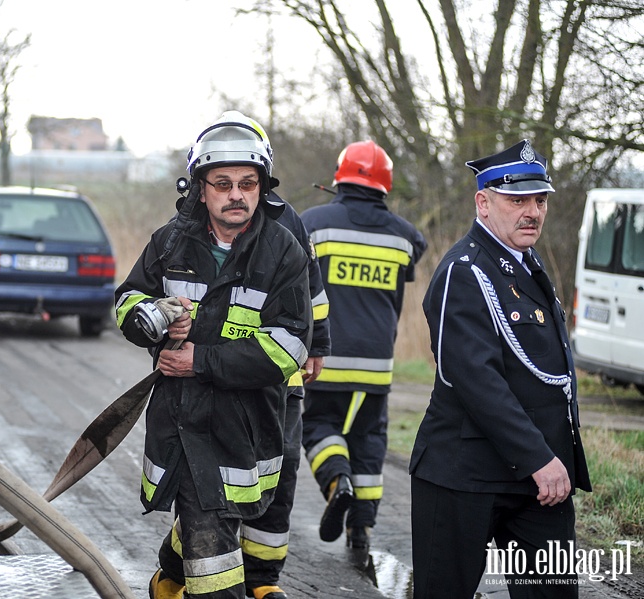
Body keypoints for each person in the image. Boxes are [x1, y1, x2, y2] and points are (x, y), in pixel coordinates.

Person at [115, 110, 312, 599]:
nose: (236, 194)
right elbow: (127, 299)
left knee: (217, 516)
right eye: (222, 184)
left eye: (247, 183)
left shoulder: (284, 251)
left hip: (247, 424)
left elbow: (290, 344)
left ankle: (166, 580)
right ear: (200, 188)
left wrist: (199, 360)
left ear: (262, 187)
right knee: (216, 567)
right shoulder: (170, 242)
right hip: (182, 424)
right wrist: (150, 317)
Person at [409, 139, 591, 598]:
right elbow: (474, 379)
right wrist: (538, 458)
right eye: (517, 200)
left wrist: (553, 459)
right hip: (464, 475)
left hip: (537, 484)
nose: (532, 211)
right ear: (483, 203)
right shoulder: (463, 270)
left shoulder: (528, 268)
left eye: (540, 199)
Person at [298, 140, 427, 565]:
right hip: (377, 365)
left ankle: (338, 484)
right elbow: (414, 256)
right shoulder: (405, 237)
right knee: (369, 439)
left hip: (326, 357)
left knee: (319, 425)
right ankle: (361, 528)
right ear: (384, 185)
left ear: (339, 178)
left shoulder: (314, 225)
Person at [237, 189, 331, 599]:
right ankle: (184, 568)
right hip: (215, 379)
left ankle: (262, 579)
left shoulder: (286, 218)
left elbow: (313, 288)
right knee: (217, 483)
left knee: (281, 475)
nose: (237, 192)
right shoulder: (194, 223)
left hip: (281, 381)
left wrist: (317, 345)